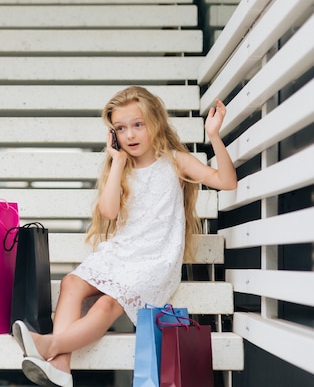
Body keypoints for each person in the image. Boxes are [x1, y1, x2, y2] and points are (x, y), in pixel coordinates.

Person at [12, 86, 237, 387]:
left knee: (106, 304)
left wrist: (213, 135)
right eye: (121, 128)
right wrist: (116, 162)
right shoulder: (121, 167)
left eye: (137, 125)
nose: (130, 135)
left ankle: (50, 346)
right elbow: (108, 211)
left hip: (156, 260)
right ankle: (62, 368)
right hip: (122, 252)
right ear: (113, 134)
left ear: (154, 122)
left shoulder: (174, 160)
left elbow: (226, 181)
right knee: (71, 282)